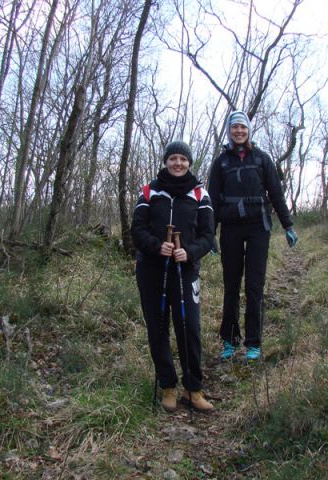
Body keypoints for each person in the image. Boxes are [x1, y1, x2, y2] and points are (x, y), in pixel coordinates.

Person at [131, 140, 215, 413]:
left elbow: (207, 236)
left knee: (189, 327)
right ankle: (168, 386)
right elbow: (137, 230)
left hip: (185, 270)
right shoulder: (149, 191)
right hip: (151, 269)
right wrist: (158, 246)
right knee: (158, 328)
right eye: (173, 158)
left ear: (189, 163)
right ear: (165, 161)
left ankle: (194, 388)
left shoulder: (201, 194)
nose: (178, 163)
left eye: (183, 159)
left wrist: (189, 253)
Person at [208, 111, 298, 361]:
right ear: (229, 131)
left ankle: (253, 343)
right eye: (234, 127)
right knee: (231, 286)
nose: (239, 131)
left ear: (248, 130)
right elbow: (212, 200)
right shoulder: (221, 163)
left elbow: (276, 194)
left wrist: (288, 225)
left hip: (259, 227)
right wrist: (210, 233)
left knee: (254, 287)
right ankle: (229, 340)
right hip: (231, 228)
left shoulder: (262, 159)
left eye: (242, 127)